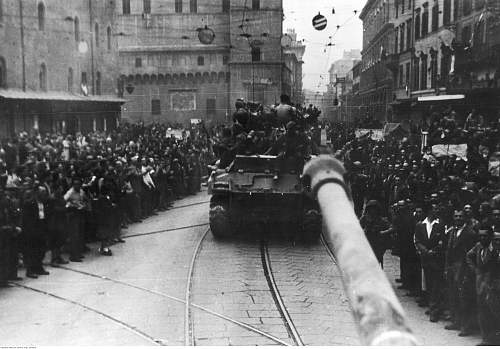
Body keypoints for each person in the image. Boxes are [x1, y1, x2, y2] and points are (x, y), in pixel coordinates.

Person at [444, 210, 477, 335]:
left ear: (465, 218)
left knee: (464, 297)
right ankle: (456, 321)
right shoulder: (452, 231)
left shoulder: (470, 233)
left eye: (460, 216)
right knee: (453, 294)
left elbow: (470, 255)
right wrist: (447, 267)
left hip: (463, 268)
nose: (458, 218)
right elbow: (448, 250)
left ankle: (465, 325)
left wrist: (467, 272)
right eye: (456, 216)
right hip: (452, 267)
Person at [467, 227, 499, 345]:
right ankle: (486, 338)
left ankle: (495, 339)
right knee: (482, 311)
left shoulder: (496, 248)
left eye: (485, 236)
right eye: (480, 235)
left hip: (494, 285)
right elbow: (468, 256)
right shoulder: (478, 246)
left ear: (490, 237)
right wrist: (476, 270)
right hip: (480, 284)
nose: (482, 238)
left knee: (494, 312)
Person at [414, 203, 446, 322]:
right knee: (429, 284)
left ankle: (434, 310)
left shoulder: (440, 225)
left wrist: (434, 250)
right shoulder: (420, 225)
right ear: (429, 211)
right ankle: (433, 307)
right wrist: (425, 251)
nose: (436, 211)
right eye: (434, 209)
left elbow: (442, 241)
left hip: (437, 260)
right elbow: (417, 241)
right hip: (426, 259)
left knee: (436, 285)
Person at [360, 200, 391, 268]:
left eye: (374, 208)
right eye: (371, 208)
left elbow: (390, 229)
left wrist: (382, 233)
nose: (372, 210)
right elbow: (358, 229)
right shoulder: (364, 219)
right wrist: (364, 230)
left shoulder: (381, 220)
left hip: (378, 243)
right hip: (367, 242)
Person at [64, 178, 89, 262]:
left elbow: (85, 199)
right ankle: (73, 255)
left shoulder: (81, 191)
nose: (77, 186)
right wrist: (72, 204)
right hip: (73, 214)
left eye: (78, 184)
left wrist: (84, 204)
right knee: (74, 235)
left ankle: (78, 252)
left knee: (80, 234)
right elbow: (64, 201)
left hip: (80, 213)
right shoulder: (70, 192)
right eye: (75, 184)